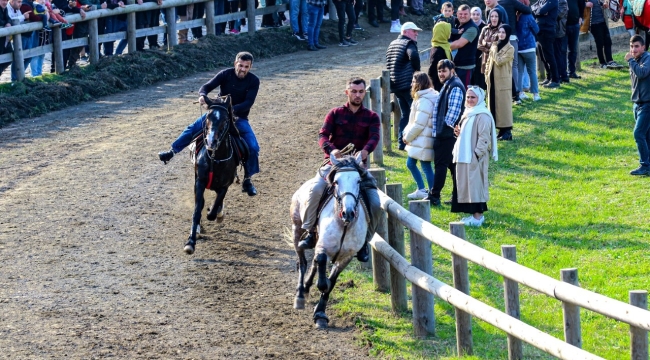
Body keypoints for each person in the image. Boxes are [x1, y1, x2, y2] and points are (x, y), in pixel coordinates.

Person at [297, 77, 382, 263]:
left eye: (360, 92)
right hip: (334, 164)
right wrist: (332, 149)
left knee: (375, 204)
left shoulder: (372, 117)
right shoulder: (335, 113)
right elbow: (322, 135)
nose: (357, 95)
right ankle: (310, 232)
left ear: (364, 93)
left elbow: (375, 136)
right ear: (347, 92)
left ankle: (364, 241)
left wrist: (365, 152)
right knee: (317, 189)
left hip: (357, 168)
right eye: (354, 91)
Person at [158, 52, 262, 195]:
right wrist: (202, 96)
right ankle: (172, 151)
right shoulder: (225, 74)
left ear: (250, 67)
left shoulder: (254, 81)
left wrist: (229, 109)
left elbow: (248, 103)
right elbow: (206, 87)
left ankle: (247, 180)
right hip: (218, 115)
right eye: (240, 65)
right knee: (192, 128)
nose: (242, 69)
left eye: (246, 66)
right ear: (235, 63)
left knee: (253, 147)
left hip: (239, 118)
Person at [451, 86, 498, 226]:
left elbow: (484, 138)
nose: (470, 100)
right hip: (465, 156)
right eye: (468, 97)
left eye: (473, 97)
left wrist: (477, 155)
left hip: (474, 157)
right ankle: (473, 216)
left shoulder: (482, 115)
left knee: (475, 186)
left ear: (480, 99)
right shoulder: (469, 113)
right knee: (468, 186)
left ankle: (478, 217)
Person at [428, 59, 465, 206]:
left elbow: (453, 113)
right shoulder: (449, 84)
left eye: (444, 71)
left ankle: (434, 196)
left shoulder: (454, 86)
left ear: (452, 70)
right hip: (446, 134)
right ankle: (458, 197)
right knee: (452, 166)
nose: (441, 74)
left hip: (447, 135)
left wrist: (443, 129)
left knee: (441, 165)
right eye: (439, 71)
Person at [386, 21, 422, 150]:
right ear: (405, 32)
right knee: (414, 114)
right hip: (408, 84)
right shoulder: (408, 43)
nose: (416, 33)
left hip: (396, 85)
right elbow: (413, 55)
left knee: (405, 114)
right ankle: (411, 141)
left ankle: (402, 143)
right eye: (414, 31)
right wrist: (417, 71)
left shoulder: (392, 43)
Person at [403, 72, 437, 200]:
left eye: (413, 81)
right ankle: (422, 189)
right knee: (410, 163)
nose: (411, 84)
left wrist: (407, 137)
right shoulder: (425, 97)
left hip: (423, 139)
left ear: (419, 83)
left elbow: (419, 124)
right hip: (421, 138)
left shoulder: (424, 101)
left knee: (425, 166)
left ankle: (433, 194)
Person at [625, 35, 650, 176]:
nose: (633, 49)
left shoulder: (647, 58)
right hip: (638, 104)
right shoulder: (635, 60)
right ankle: (648, 163)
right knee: (646, 135)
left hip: (647, 104)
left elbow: (642, 73)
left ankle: (644, 165)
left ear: (643, 47)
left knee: (638, 133)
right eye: (631, 46)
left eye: (636, 46)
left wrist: (630, 61)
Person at [485, 24, 515, 140]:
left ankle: (506, 131)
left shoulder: (510, 48)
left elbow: (499, 61)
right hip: (492, 81)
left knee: (503, 106)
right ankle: (497, 129)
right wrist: (487, 73)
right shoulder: (495, 46)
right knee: (492, 104)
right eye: (500, 32)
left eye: (504, 33)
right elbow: (489, 62)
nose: (501, 34)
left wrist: (493, 51)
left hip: (503, 82)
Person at [586, 0, 623, 69]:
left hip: (602, 22)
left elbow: (601, 3)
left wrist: (604, 4)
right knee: (600, 43)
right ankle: (602, 63)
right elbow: (579, 4)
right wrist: (586, 4)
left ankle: (610, 61)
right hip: (593, 24)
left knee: (608, 42)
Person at [516, 1, 541, 101]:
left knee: (519, 72)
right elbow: (536, 29)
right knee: (532, 72)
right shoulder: (528, 16)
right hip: (529, 47)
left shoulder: (516, 16)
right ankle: (535, 94)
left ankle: (520, 92)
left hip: (519, 48)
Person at [449, 5, 479, 88]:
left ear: (470, 15)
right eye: (460, 14)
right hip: (454, 65)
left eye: (465, 14)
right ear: (457, 14)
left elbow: (458, 44)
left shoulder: (472, 28)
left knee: (463, 91)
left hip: (465, 67)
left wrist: (441, 46)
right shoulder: (455, 24)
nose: (462, 16)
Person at [533, 0, 560, 88]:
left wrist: (538, 11)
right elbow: (532, 8)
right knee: (543, 56)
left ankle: (555, 80)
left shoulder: (553, 1)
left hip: (548, 31)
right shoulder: (542, 1)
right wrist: (539, 11)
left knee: (549, 56)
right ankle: (549, 77)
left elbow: (541, 11)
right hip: (540, 31)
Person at [477, 9, 504, 78]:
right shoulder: (485, 29)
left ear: (500, 17)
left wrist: (485, 43)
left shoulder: (502, 30)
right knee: (486, 85)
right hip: (485, 60)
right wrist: (489, 50)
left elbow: (499, 46)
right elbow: (479, 45)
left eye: (496, 16)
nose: (494, 18)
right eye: (492, 16)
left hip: (497, 61)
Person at [428, 22, 451, 91]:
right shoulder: (438, 51)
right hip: (438, 86)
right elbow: (432, 71)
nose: (450, 33)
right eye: (448, 31)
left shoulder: (444, 46)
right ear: (442, 33)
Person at [566, 0, 585, 78]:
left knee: (573, 50)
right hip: (563, 26)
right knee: (562, 50)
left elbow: (582, 4)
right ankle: (563, 73)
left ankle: (571, 71)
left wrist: (580, 16)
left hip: (574, 24)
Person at [470, 6, 487, 88]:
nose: (475, 16)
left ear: (480, 15)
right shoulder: (469, 25)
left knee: (480, 73)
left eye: (477, 14)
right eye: (473, 14)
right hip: (470, 53)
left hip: (481, 54)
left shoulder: (485, 26)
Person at [553, 0, 569, 83]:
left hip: (559, 31)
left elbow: (558, 15)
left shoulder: (562, 1)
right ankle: (559, 75)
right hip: (553, 30)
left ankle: (561, 75)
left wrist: (546, 12)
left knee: (559, 54)